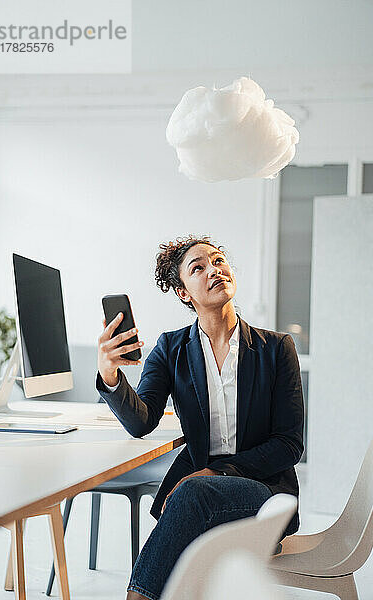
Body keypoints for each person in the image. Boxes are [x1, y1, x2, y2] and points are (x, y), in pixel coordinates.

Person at [96, 235, 304, 600]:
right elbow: (142, 421)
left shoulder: (277, 348)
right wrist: (111, 375)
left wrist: (218, 472)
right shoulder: (170, 348)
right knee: (193, 509)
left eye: (218, 261)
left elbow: (288, 445)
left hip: (264, 490)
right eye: (198, 268)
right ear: (183, 292)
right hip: (195, 497)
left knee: (194, 493)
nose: (214, 270)